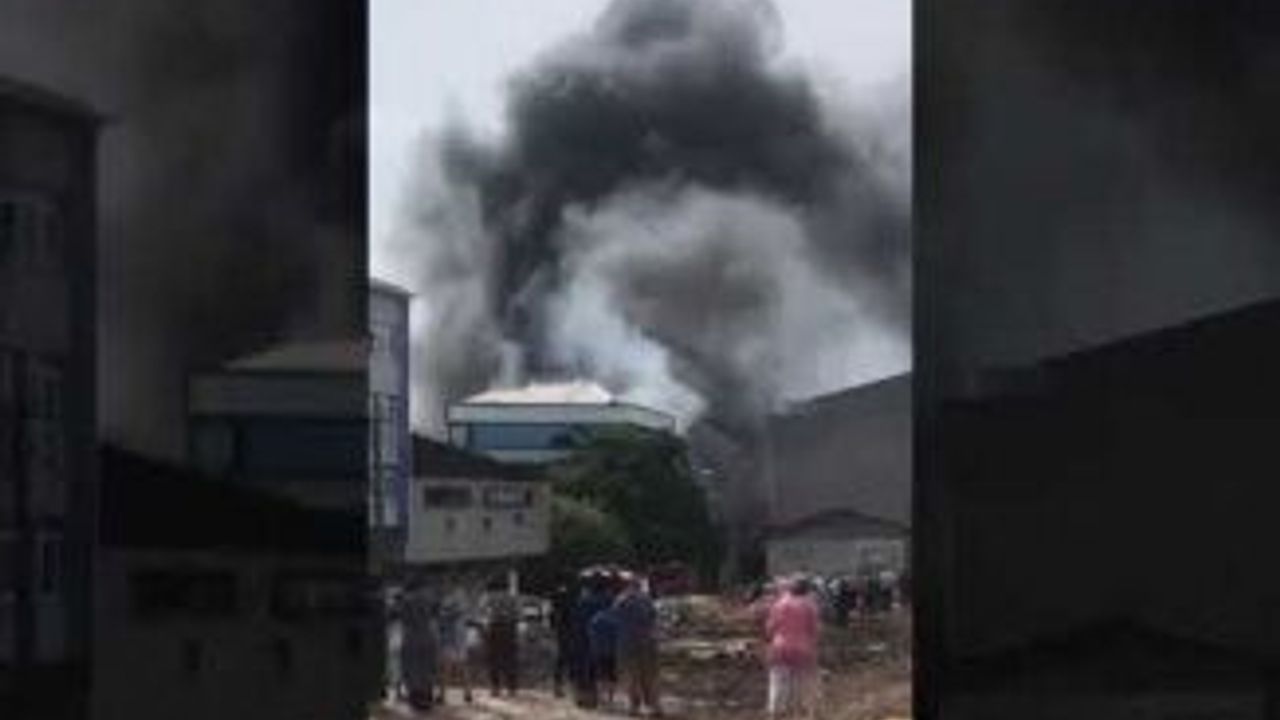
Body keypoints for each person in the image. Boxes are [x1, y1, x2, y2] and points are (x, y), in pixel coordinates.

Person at [764, 576, 821, 719]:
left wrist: (771, 639)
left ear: (791, 588)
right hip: (802, 649)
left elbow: (770, 628)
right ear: (806, 590)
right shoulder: (810, 606)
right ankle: (797, 713)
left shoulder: (779, 604)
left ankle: (775, 713)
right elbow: (814, 630)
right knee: (799, 684)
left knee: (778, 682)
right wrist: (813, 647)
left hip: (780, 648)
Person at [613, 574, 661, 717]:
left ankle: (634, 707)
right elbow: (653, 617)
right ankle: (654, 706)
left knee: (631, 675)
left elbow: (615, 617)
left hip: (627, 642)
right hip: (647, 642)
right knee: (649, 675)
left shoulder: (621, 599)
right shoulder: (646, 599)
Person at [571, 571, 613, 708]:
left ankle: (583, 697)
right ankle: (598, 698)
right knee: (600, 669)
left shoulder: (583, 600)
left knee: (583, 667)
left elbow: (576, 620)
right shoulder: (608, 600)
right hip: (603, 639)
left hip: (583, 637)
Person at [399, 583, 440, 712]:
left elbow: (403, 618)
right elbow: (435, 614)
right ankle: (427, 699)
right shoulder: (431, 598)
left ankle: (416, 701)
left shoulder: (405, 600)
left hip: (411, 638)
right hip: (428, 636)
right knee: (427, 668)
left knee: (412, 669)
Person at [481, 577, 521, 697]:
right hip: (509, 628)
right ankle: (511, 688)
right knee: (510, 659)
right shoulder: (512, 597)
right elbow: (518, 614)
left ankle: (495, 688)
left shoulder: (488, 597)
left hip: (494, 628)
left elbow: (483, 611)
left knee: (493, 659)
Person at [437, 586, 474, 704]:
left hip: (452, 638)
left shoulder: (452, 598)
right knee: (460, 667)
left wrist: (444, 614)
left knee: (449, 668)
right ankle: (467, 693)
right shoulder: (460, 597)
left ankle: (444, 695)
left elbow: (447, 616)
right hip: (457, 637)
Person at [588, 599, 620, 707]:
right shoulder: (615, 619)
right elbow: (618, 635)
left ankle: (601, 697)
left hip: (598, 650)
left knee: (600, 674)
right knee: (612, 675)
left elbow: (591, 634)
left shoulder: (596, 618)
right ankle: (610, 697)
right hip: (612, 650)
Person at [549, 579, 578, 698]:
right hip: (568, 636)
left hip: (560, 636)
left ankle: (558, 687)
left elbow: (552, 625)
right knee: (570, 662)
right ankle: (571, 688)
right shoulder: (569, 608)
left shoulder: (554, 610)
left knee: (560, 663)